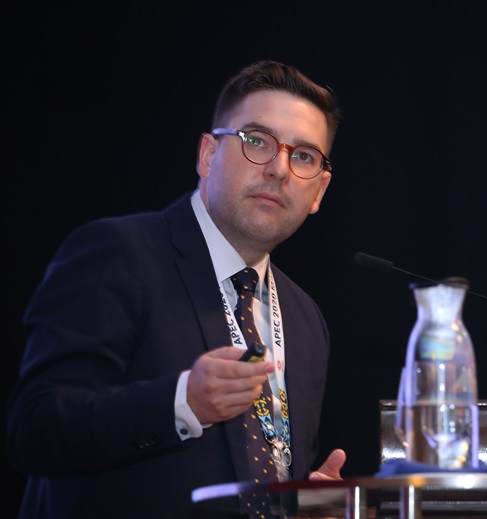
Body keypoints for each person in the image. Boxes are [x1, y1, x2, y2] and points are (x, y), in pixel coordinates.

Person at [5, 60, 346, 518]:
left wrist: (305, 502)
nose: (279, 169)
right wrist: (184, 402)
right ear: (207, 155)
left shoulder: (305, 319)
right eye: (257, 141)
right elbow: (35, 430)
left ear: (319, 191)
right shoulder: (121, 255)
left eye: (303, 156)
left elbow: (274, 459)